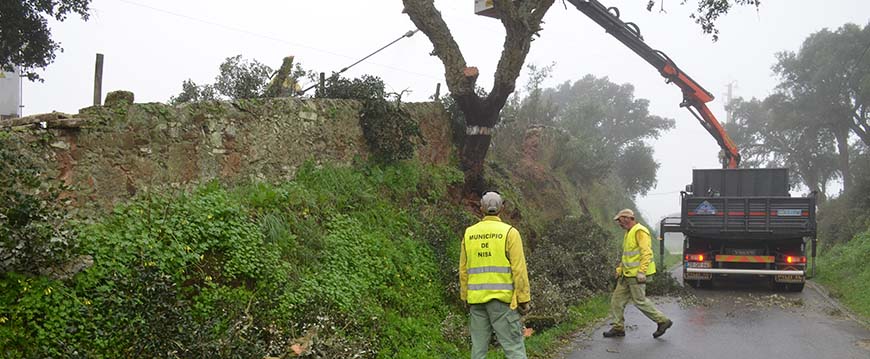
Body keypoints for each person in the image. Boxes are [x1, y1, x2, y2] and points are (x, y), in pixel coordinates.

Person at [459, 191, 531, 359]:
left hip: (476, 302)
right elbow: (519, 270)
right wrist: (523, 299)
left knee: (478, 351)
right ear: (502, 208)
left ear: (481, 208)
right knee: (514, 349)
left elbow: (463, 270)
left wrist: (465, 296)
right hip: (503, 304)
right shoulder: (510, 233)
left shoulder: (469, 233)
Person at [604, 208, 673, 339]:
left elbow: (646, 253)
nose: (619, 223)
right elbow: (627, 256)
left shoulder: (640, 231)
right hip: (626, 275)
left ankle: (663, 321)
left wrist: (642, 272)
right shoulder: (629, 232)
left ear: (627, 218)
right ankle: (618, 327)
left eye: (620, 220)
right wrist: (620, 269)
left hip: (637, 276)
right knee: (616, 301)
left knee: (640, 301)